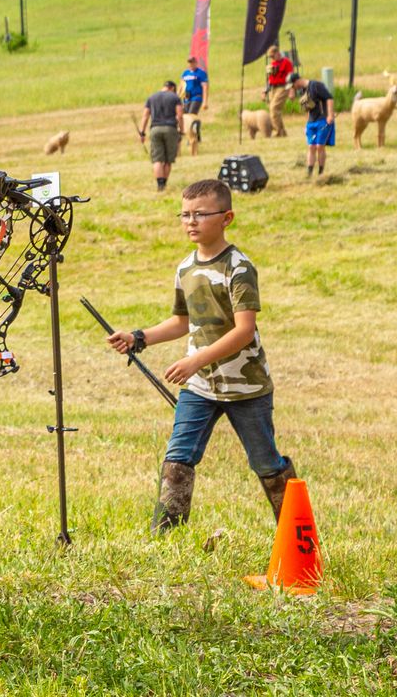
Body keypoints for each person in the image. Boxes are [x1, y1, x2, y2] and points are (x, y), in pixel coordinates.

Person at [106, 178, 293, 531]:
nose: (191, 221)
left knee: (266, 462)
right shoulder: (185, 268)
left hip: (246, 388)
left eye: (200, 214)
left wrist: (196, 360)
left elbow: (244, 330)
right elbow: (181, 322)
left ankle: (296, 533)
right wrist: (139, 337)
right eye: (185, 214)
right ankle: (166, 539)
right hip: (200, 387)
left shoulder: (238, 267)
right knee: (178, 458)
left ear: (227, 217)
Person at [139, 80, 184, 191]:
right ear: (173, 88)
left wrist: (142, 132)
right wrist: (181, 131)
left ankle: (159, 185)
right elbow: (180, 115)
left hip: (155, 129)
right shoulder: (175, 98)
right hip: (170, 129)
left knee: (157, 159)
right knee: (168, 159)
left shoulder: (152, 97)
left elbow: (145, 116)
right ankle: (164, 183)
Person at [302, 75, 336, 178]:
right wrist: (306, 124)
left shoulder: (317, 86)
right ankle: (309, 172)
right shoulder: (303, 90)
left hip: (322, 121)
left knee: (320, 146)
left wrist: (329, 115)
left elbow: (329, 98)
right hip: (311, 122)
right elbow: (307, 109)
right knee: (311, 147)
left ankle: (321, 172)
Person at [263, 44, 295, 109]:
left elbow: (291, 77)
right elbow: (269, 80)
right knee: (272, 109)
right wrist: (264, 91)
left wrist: (292, 90)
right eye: (270, 57)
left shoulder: (286, 62)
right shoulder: (272, 64)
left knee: (274, 108)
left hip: (282, 87)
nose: (272, 58)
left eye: (272, 56)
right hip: (273, 89)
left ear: (277, 53)